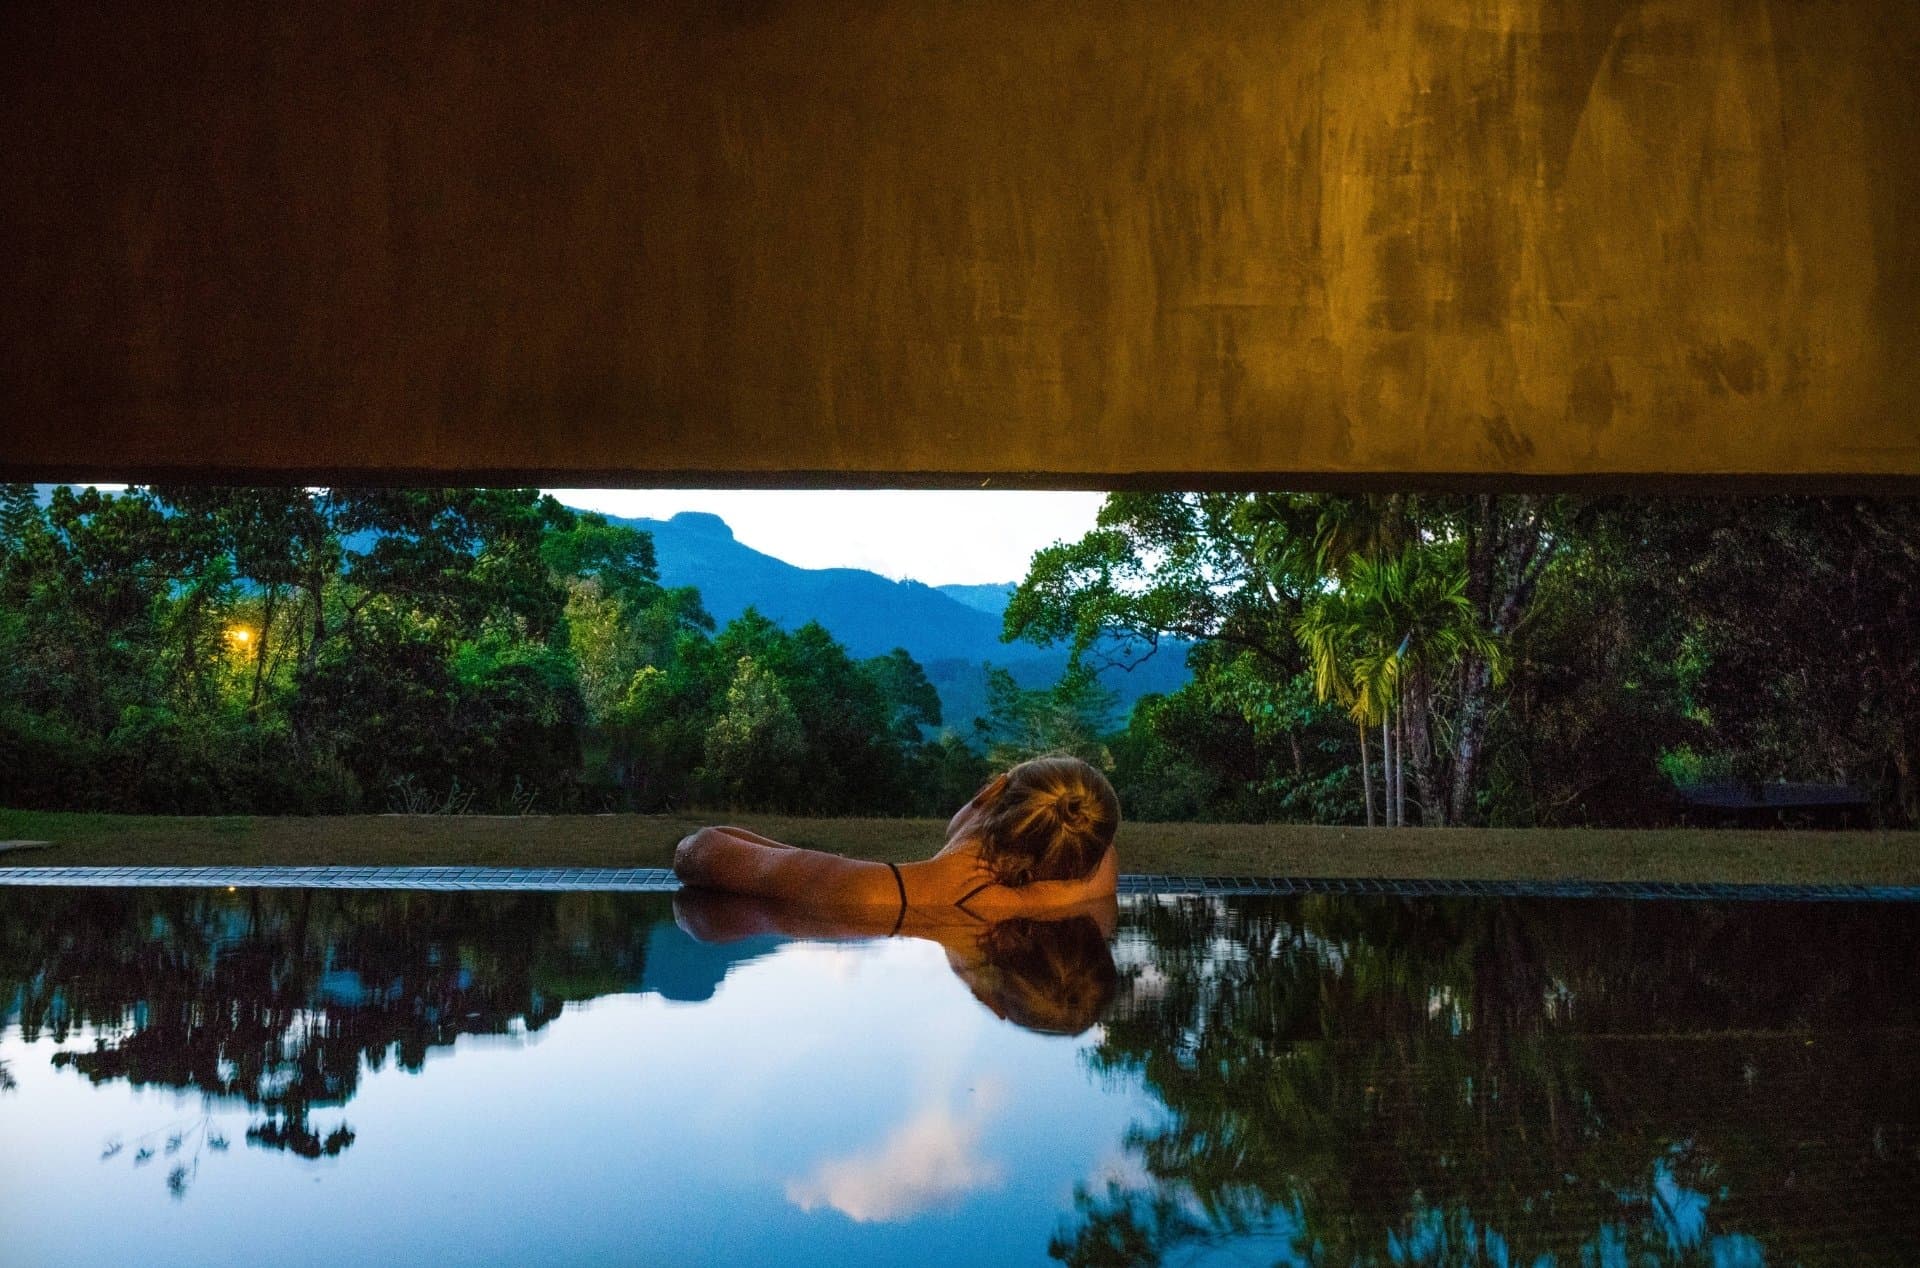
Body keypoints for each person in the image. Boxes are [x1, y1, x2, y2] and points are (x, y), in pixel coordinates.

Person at [672, 755, 1120, 923]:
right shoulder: (1077, 894)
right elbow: (1100, 847)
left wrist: (816, 864)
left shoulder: (868, 890)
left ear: (990, 791)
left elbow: (699, 850)